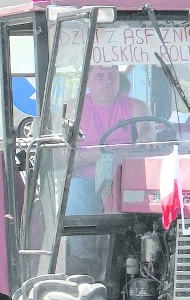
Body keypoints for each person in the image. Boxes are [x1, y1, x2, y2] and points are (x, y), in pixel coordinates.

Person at [66, 65, 156, 271]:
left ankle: (140, 255)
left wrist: (145, 138)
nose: (107, 81)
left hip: (127, 180)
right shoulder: (74, 110)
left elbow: (148, 131)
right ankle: (83, 261)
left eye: (111, 76)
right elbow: (63, 157)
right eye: (99, 76)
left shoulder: (136, 107)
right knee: (75, 193)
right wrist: (103, 153)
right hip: (86, 181)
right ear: (87, 81)